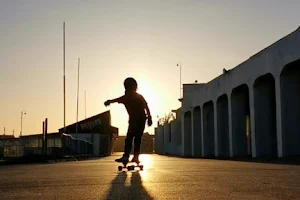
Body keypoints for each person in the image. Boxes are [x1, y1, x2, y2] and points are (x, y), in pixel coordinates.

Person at [104, 77, 152, 163]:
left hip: (138, 120)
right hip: (140, 120)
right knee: (136, 138)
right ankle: (134, 157)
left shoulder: (130, 96)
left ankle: (127, 156)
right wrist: (149, 118)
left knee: (130, 138)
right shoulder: (135, 96)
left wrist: (109, 101)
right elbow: (146, 106)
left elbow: (145, 106)